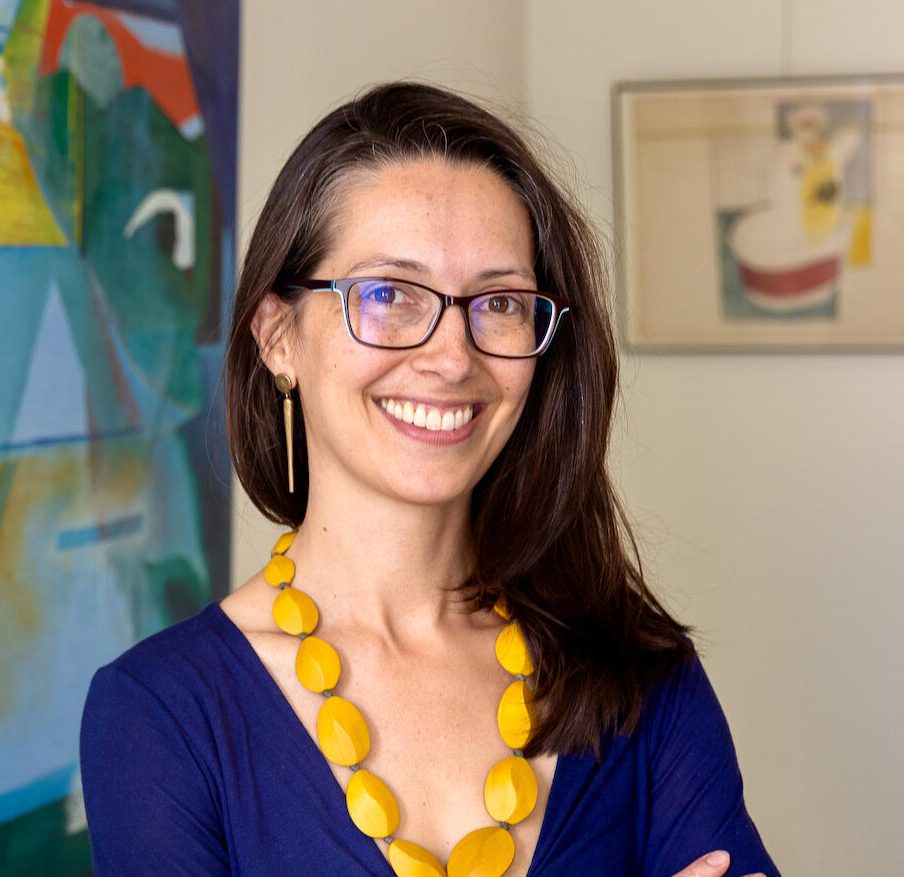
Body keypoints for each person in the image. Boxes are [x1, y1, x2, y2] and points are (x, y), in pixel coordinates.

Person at [80, 82, 779, 877]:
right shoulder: (160, 716)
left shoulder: (641, 677)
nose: (452, 356)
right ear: (277, 336)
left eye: (502, 302)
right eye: (387, 294)